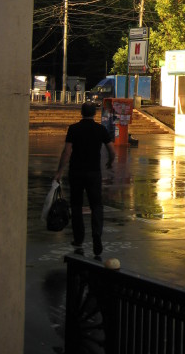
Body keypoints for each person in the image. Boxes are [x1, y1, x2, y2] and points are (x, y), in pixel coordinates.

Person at [54, 101, 116, 257]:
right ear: (95, 113)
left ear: (81, 113)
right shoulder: (100, 129)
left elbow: (67, 151)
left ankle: (78, 239)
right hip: (94, 173)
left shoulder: (74, 129)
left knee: (76, 206)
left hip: (76, 172)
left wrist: (59, 171)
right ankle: (97, 235)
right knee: (96, 205)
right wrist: (110, 162)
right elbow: (111, 150)